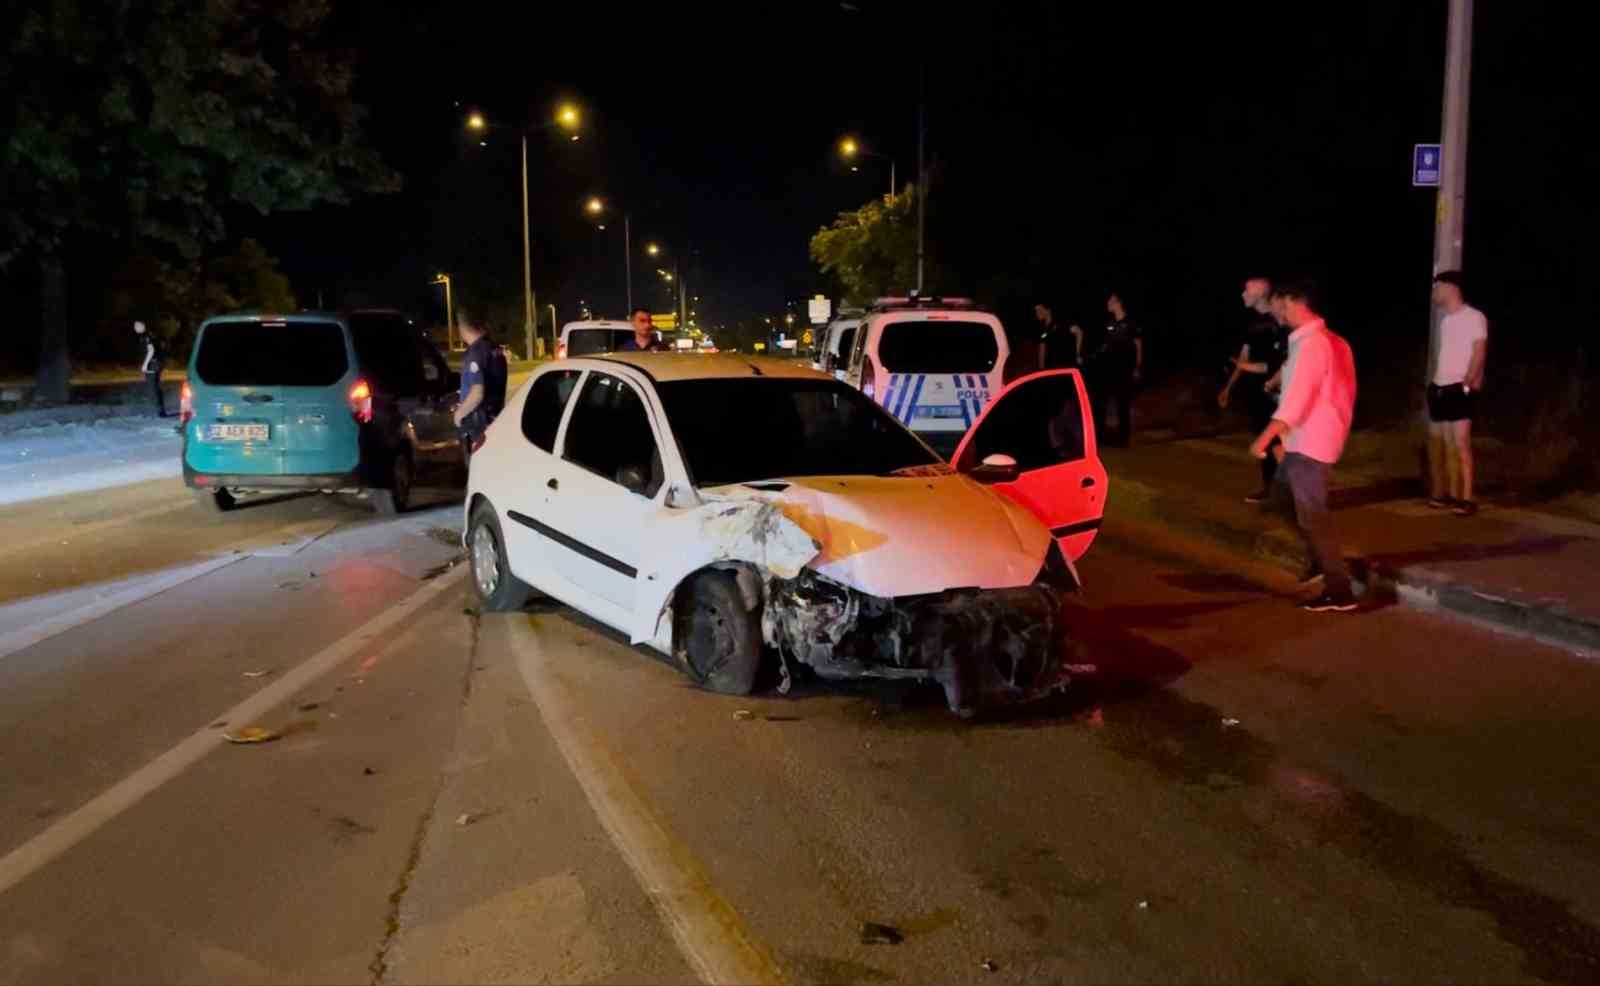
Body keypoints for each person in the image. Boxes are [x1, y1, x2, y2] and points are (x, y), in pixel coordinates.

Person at [1249, 280, 1359, 613]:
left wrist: (1264, 439)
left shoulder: (1312, 346)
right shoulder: (1329, 341)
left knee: (1313, 518)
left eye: (1278, 304)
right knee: (1281, 501)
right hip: (1313, 439)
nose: (1275, 311)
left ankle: (1339, 592)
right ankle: (1319, 561)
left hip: (1310, 443)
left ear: (1293, 302)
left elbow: (1296, 403)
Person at [1218, 277, 1287, 501]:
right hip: (1257, 394)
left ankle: (1288, 490)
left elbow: (1273, 365)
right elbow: (1245, 357)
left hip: (1272, 393)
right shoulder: (1254, 324)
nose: (1243, 295)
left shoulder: (1276, 323)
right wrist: (1229, 387)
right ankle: (1272, 488)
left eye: (1247, 290)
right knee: (1266, 441)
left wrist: (1243, 366)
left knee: (1273, 441)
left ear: (1260, 293)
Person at [1426, 270, 1488, 516]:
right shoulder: (1446, 320)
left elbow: (1479, 352)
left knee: (1460, 443)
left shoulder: (1474, 317)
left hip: (1459, 386)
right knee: (1443, 442)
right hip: (1440, 386)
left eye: (1438, 287)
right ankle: (1447, 494)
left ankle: (1467, 497)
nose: (1435, 293)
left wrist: (1467, 383)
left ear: (1451, 288)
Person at [1088, 291, 1143, 447]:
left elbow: (1138, 346)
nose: (1108, 303)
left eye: (1111, 300)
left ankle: (1123, 439)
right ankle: (1100, 438)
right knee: (1101, 403)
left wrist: (1136, 368)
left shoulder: (1131, 323)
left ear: (1118, 303)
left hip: (1124, 371)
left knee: (1122, 405)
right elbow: (1106, 345)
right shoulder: (1109, 323)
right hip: (1108, 371)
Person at [452, 307, 508, 461]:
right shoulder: (495, 349)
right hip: (493, 420)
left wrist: (459, 414)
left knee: (476, 470)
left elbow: (477, 393)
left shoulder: (476, 352)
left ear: (463, 326)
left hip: (477, 426)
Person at [1035, 301, 1084, 371]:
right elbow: (1042, 349)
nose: (1037, 313)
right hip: (1052, 368)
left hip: (1067, 366)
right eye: (1036, 311)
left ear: (1048, 311)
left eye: (1039, 310)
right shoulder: (1043, 330)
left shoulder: (1060, 323)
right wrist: (1041, 370)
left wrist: (1077, 354)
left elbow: (1079, 332)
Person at [133, 320, 165, 417]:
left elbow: (151, 350)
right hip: (157, 363)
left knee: (151, 388)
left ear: (142, 326)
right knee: (156, 387)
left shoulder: (145, 336)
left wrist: (145, 364)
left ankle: (157, 411)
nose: (135, 328)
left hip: (152, 364)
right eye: (135, 326)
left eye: (137, 326)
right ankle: (160, 410)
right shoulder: (152, 334)